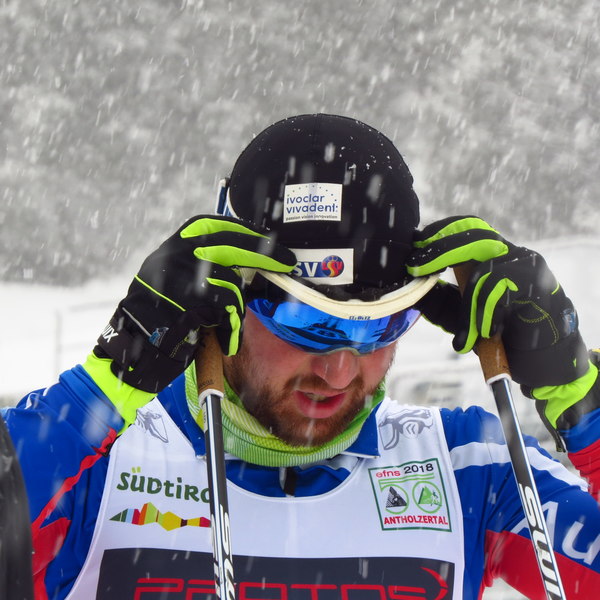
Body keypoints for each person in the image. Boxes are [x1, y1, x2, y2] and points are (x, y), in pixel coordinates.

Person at [4, 113, 600, 600]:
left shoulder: (473, 467)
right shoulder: (99, 465)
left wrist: (582, 399)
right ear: (225, 295)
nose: (340, 370)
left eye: (381, 326)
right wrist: (102, 385)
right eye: (308, 324)